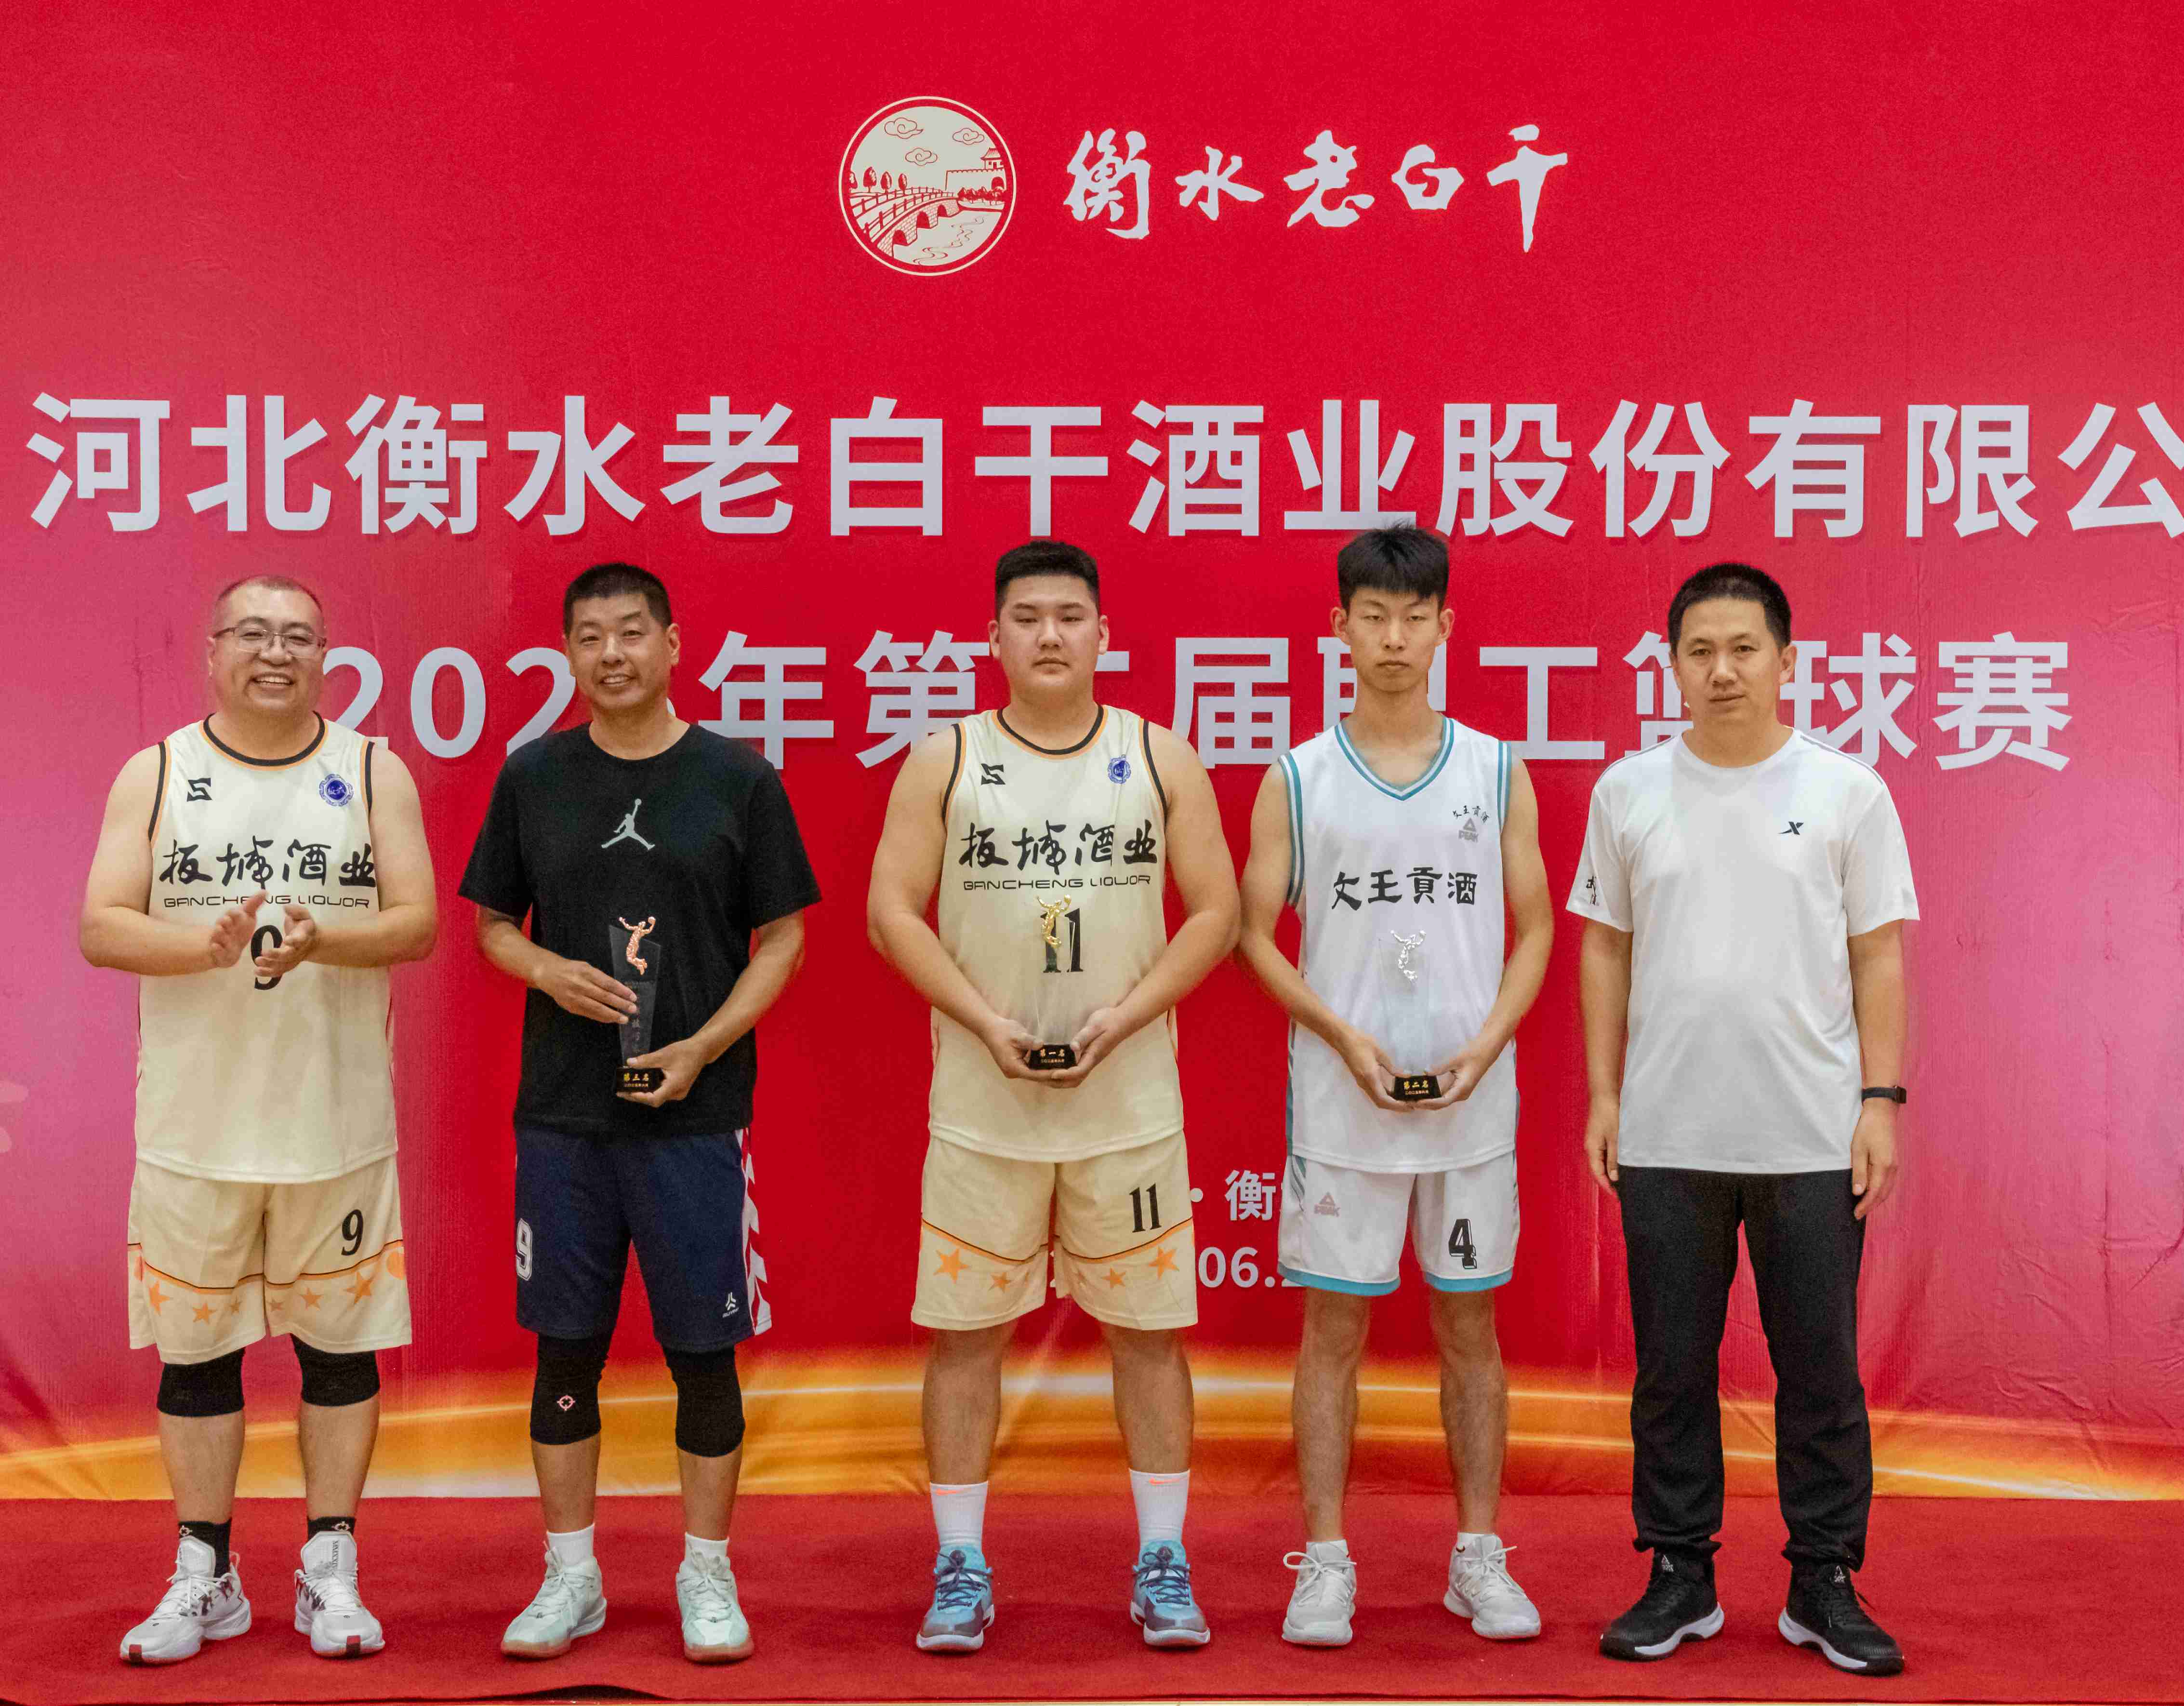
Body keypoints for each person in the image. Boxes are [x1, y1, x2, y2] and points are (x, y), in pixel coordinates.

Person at [865, 539, 1238, 1653]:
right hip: (984, 1112)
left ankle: (1163, 1559)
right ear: (992, 637)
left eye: (1069, 617)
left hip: (1128, 1111)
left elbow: (1216, 913)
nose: (1048, 635)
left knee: (1148, 1338)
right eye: (1025, 617)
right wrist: (983, 1024)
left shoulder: (1157, 756)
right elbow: (890, 911)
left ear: (1103, 635)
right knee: (964, 1339)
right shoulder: (947, 759)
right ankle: (959, 1564)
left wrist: (1126, 1017)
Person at [460, 562, 818, 1666]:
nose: (610, 654)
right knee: (564, 1351)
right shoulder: (534, 775)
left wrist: (707, 1044)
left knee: (701, 1354)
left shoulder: (737, 778)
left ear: (672, 643)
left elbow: (785, 939)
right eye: (588, 637)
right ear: (567, 653)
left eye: (629, 632)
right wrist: (546, 970)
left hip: (696, 1121)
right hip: (564, 1120)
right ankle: (570, 1577)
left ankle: (705, 1571)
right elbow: (490, 927)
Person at [82, 576, 437, 1664]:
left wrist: (325, 939)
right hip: (195, 1131)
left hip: (336, 1124)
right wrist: (201, 947)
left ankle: (332, 1568)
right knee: (196, 1359)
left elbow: (418, 922)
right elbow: (102, 925)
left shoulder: (372, 770)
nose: (275, 653)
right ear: (212, 651)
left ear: (328, 655)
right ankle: (206, 1573)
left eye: (298, 637)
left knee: (340, 1354)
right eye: (252, 633)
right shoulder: (157, 773)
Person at [1575, 562, 1916, 1677]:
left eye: (1742, 649)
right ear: (1671, 665)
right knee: (1670, 1369)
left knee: (1818, 1371)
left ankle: (1823, 1579)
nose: (1720, 670)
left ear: (1785, 661)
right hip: (1666, 1131)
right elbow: (1603, 947)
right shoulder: (1628, 791)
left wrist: (1878, 1101)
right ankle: (1678, 1572)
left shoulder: (1846, 791)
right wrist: (1605, 1094)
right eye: (1698, 651)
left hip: (1810, 1135)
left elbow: (1877, 952)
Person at [1237, 526, 1553, 1647]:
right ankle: (1324, 1562)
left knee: (1470, 1329)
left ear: (1444, 628)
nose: (1392, 638)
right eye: (1371, 616)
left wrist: (1487, 1043)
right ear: (1338, 628)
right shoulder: (1298, 778)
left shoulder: (1494, 769)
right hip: (1343, 1109)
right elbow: (1254, 934)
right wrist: (1340, 1035)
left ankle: (1477, 1555)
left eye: (1413, 618)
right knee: (1332, 1331)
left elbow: (1535, 927)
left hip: (1469, 1111)